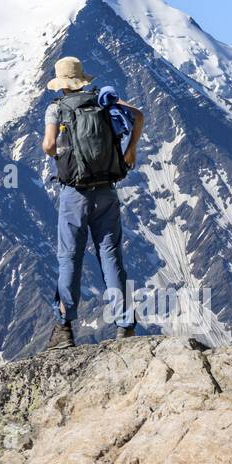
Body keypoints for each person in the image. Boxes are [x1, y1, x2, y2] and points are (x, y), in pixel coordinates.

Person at [40, 56, 144, 350]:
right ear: (82, 79)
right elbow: (138, 115)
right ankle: (125, 325)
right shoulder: (103, 101)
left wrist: (60, 156)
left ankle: (64, 328)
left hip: (75, 193)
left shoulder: (56, 109)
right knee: (110, 256)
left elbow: (49, 145)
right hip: (106, 191)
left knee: (69, 258)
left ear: (61, 84)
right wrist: (130, 150)